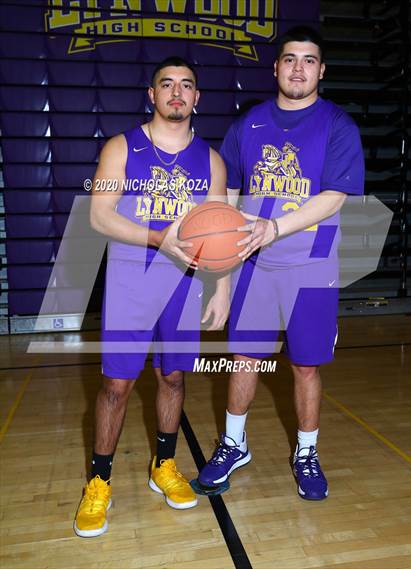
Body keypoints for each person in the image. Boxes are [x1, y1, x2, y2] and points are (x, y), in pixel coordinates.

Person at [199, 26, 365, 500]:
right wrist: (222, 284)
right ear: (275, 68)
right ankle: (235, 444)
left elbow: (333, 198)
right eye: (290, 59)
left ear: (321, 70)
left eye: (308, 60)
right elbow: (225, 210)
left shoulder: (338, 125)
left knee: (306, 365)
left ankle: (306, 452)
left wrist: (275, 227)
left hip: (311, 267)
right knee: (244, 358)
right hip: (252, 265)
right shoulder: (246, 125)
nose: (298, 68)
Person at [74, 57, 229, 537]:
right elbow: (98, 215)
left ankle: (163, 464)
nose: (177, 92)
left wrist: (222, 286)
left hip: (183, 286)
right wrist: (158, 237)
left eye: (186, 85)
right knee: (116, 386)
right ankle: (99, 480)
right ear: (152, 93)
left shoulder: (212, 160)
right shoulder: (121, 147)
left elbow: (222, 229)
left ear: (197, 98)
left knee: (174, 379)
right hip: (129, 282)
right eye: (168, 84)